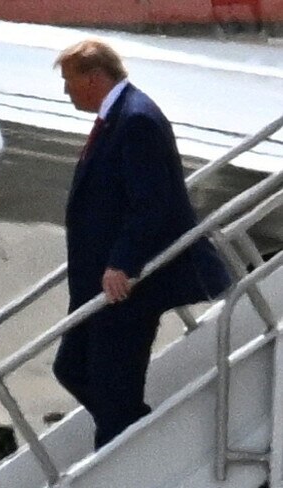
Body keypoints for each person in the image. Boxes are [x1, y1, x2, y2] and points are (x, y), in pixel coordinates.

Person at [52, 39, 231, 449]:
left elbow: (154, 203)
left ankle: (131, 456)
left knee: (112, 388)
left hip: (130, 287)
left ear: (94, 77)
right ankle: (142, 436)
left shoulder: (136, 120)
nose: (66, 91)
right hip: (100, 285)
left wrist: (123, 263)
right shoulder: (117, 118)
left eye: (69, 81)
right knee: (72, 367)